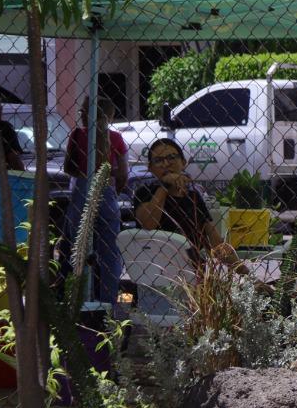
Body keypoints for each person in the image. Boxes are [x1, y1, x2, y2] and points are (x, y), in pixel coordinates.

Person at [131, 138, 239, 266]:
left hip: (191, 270)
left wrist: (246, 274)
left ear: (183, 162)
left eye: (171, 157)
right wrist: (164, 187)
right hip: (154, 269)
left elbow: (216, 241)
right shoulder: (145, 193)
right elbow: (148, 224)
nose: (166, 164)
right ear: (150, 168)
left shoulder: (193, 196)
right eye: (158, 161)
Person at [66, 99, 129, 305]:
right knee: (110, 253)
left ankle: (76, 299)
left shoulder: (77, 135)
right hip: (107, 192)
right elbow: (123, 174)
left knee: (77, 246)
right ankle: (109, 304)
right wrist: (111, 191)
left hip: (80, 193)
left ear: (84, 114)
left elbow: (69, 168)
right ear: (110, 117)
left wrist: (85, 174)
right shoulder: (116, 138)